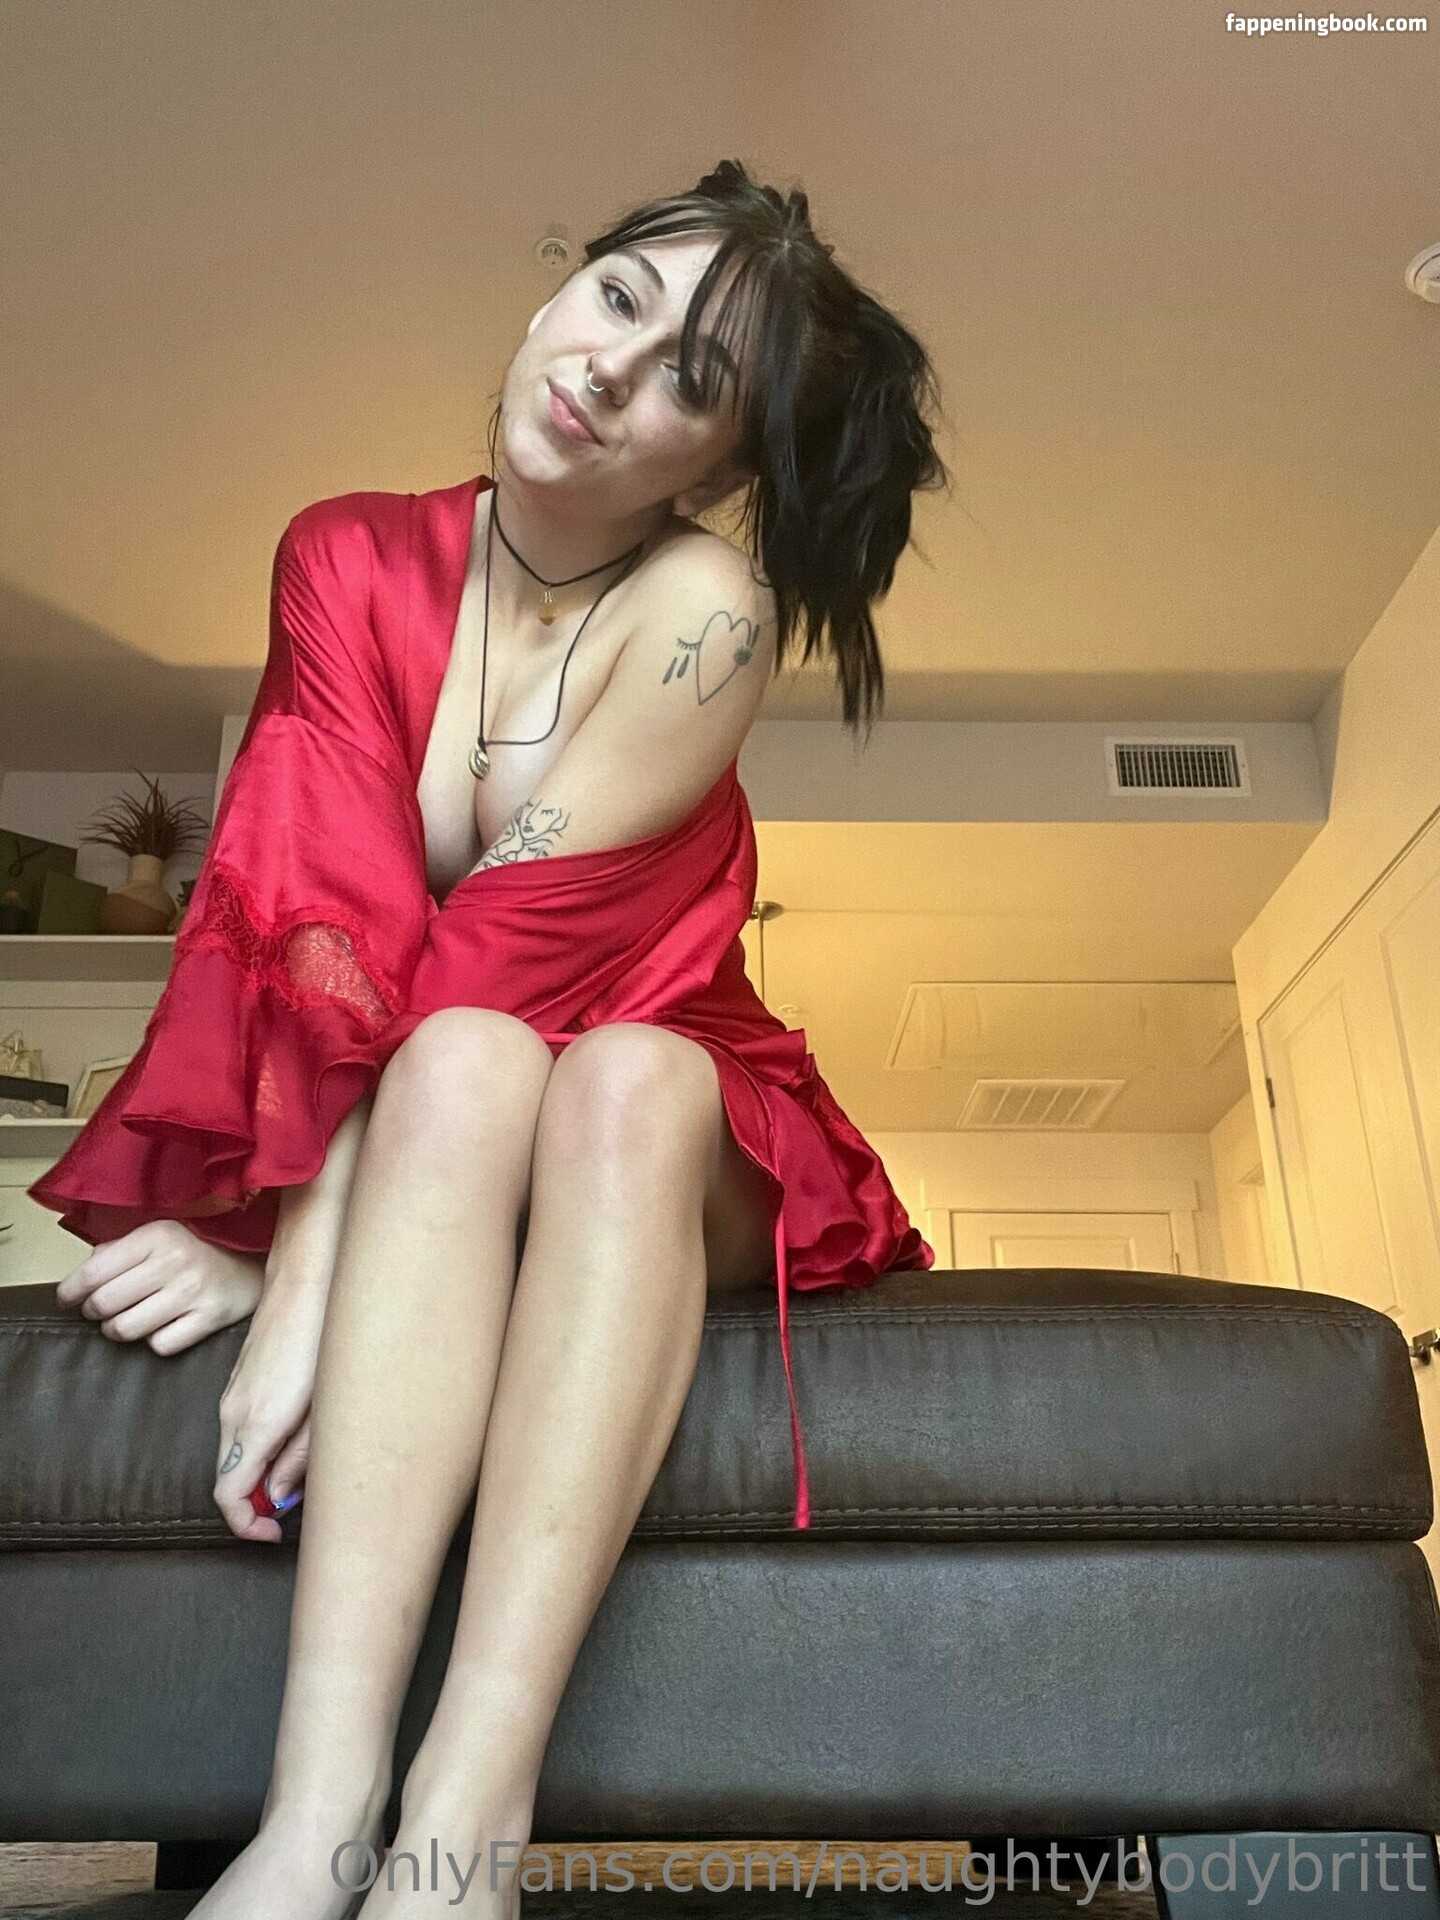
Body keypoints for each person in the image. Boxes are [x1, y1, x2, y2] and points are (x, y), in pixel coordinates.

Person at [34, 160, 949, 1917]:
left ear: (716, 466)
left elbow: (497, 957)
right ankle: (314, 1825)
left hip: (653, 1103)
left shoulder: (706, 613)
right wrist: (291, 1245)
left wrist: (297, 1269)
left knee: (609, 1076)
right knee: (465, 1066)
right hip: (450, 1089)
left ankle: (467, 1835)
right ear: (554, 289)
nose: (610, 369)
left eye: (689, 379)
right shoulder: (341, 552)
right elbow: (323, 921)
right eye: (615, 299)